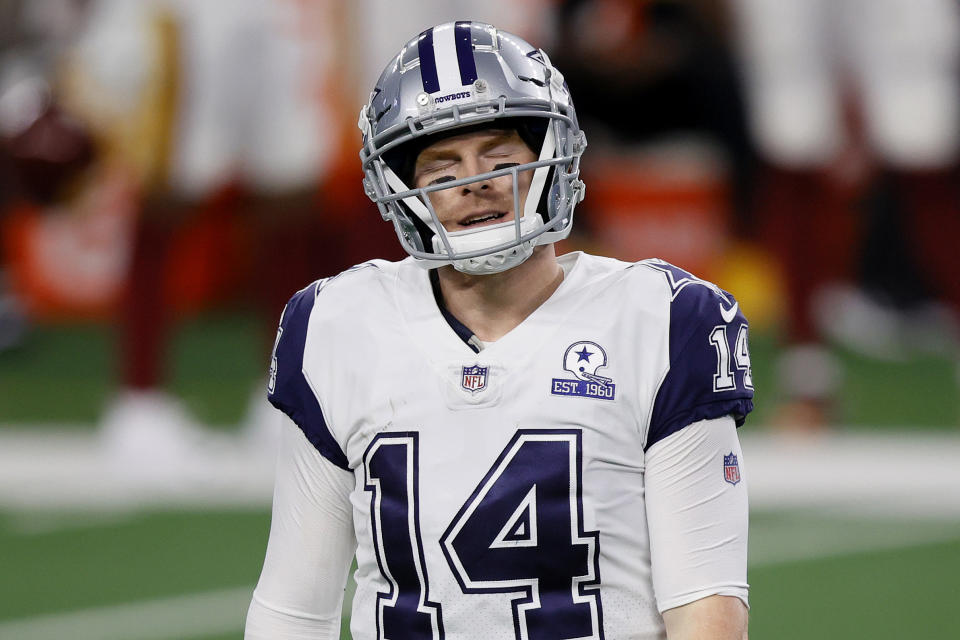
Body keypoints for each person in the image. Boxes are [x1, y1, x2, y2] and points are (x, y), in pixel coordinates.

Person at [246, 21, 752, 639]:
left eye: (499, 155)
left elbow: (705, 604)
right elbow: (294, 607)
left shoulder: (666, 321)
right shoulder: (336, 323)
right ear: (401, 187)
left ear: (550, 157)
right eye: (442, 164)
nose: (474, 181)